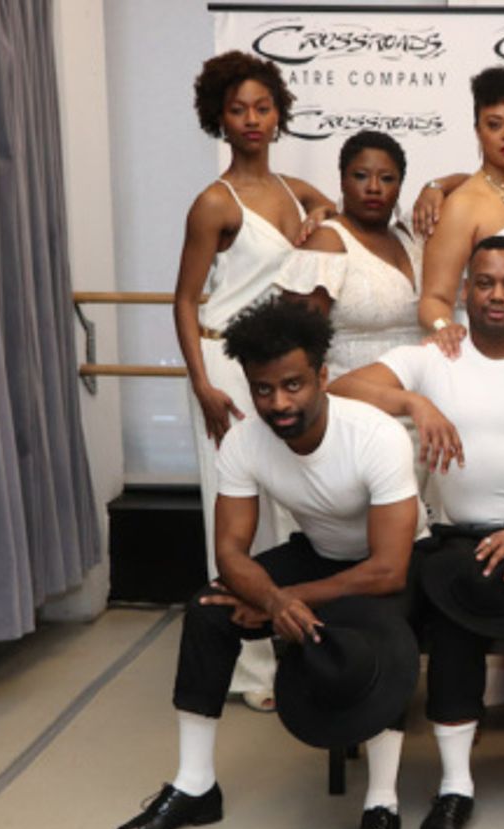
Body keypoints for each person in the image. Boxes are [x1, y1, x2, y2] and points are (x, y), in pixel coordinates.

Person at [115, 297, 421, 829]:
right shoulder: (245, 443)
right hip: (321, 553)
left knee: (376, 631)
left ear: (322, 377)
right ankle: (195, 785)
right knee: (208, 608)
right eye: (263, 390)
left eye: (293, 385)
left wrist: (296, 599)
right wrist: (275, 598)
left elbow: (389, 570)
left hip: (391, 561)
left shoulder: (375, 436)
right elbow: (229, 551)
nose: (279, 403)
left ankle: (382, 803)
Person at [329, 236, 504, 829]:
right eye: (485, 283)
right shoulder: (434, 357)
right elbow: (339, 388)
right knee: (452, 619)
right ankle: (456, 789)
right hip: (460, 538)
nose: (499, 295)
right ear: (465, 291)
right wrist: (411, 400)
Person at [173, 51, 335, 711]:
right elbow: (184, 300)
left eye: (262, 107)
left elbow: (326, 208)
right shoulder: (215, 201)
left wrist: (318, 218)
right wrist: (202, 384)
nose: (251, 120)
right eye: (237, 109)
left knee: (285, 509)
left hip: (273, 370)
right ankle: (248, 667)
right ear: (219, 115)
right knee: (235, 511)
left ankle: (280, 638)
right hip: (223, 370)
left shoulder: (293, 189)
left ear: (279, 113)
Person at [412, 67, 504, 353]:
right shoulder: (462, 206)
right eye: (494, 125)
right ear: (478, 131)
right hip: (477, 352)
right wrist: (446, 329)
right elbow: (433, 300)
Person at [276, 130, 422, 380]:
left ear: (400, 186)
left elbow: (484, 181)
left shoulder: (411, 237)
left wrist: (436, 187)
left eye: (387, 178)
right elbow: (297, 341)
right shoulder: (327, 242)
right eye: (361, 176)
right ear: (342, 181)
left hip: (422, 404)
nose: (374, 188)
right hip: (351, 404)